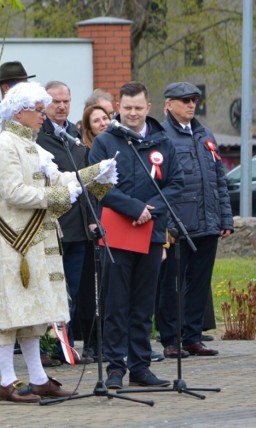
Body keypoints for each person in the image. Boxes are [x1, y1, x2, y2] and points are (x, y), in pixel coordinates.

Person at [0, 81, 115, 403]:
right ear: (20, 112)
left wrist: (96, 173)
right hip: (15, 240)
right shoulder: (4, 145)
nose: (43, 116)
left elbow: (61, 179)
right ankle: (7, 382)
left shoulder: (33, 145)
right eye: (39, 110)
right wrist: (57, 195)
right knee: (10, 312)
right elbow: (14, 192)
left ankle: (39, 379)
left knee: (33, 314)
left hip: (37, 240)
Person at [89, 81, 184, 390]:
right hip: (117, 234)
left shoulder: (163, 142)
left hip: (152, 232)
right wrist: (133, 208)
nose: (132, 113)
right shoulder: (105, 142)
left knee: (144, 304)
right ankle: (115, 367)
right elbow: (99, 186)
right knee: (116, 303)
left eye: (137, 108)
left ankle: (140, 366)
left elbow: (176, 183)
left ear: (148, 108)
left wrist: (150, 209)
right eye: (126, 108)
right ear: (118, 108)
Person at [157, 82, 233, 358]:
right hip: (178, 226)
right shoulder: (161, 136)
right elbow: (159, 185)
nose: (191, 104)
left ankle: (191, 336)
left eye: (195, 100)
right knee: (171, 285)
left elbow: (218, 180)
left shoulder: (204, 134)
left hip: (206, 224)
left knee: (199, 283)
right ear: (169, 104)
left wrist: (224, 218)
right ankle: (170, 339)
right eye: (185, 99)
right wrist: (166, 225)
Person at [36, 81, 94, 365]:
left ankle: (67, 346)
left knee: (71, 290)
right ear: (45, 104)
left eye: (66, 101)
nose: (61, 106)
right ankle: (49, 347)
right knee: (51, 290)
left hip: (79, 227)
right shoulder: (39, 137)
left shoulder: (75, 134)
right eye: (55, 101)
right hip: (52, 227)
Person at [74, 103, 112, 361]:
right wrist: (92, 219)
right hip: (92, 223)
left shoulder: (117, 147)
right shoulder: (85, 152)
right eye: (96, 120)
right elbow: (86, 190)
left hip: (114, 219)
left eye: (106, 118)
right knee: (90, 289)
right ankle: (90, 342)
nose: (103, 123)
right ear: (88, 127)